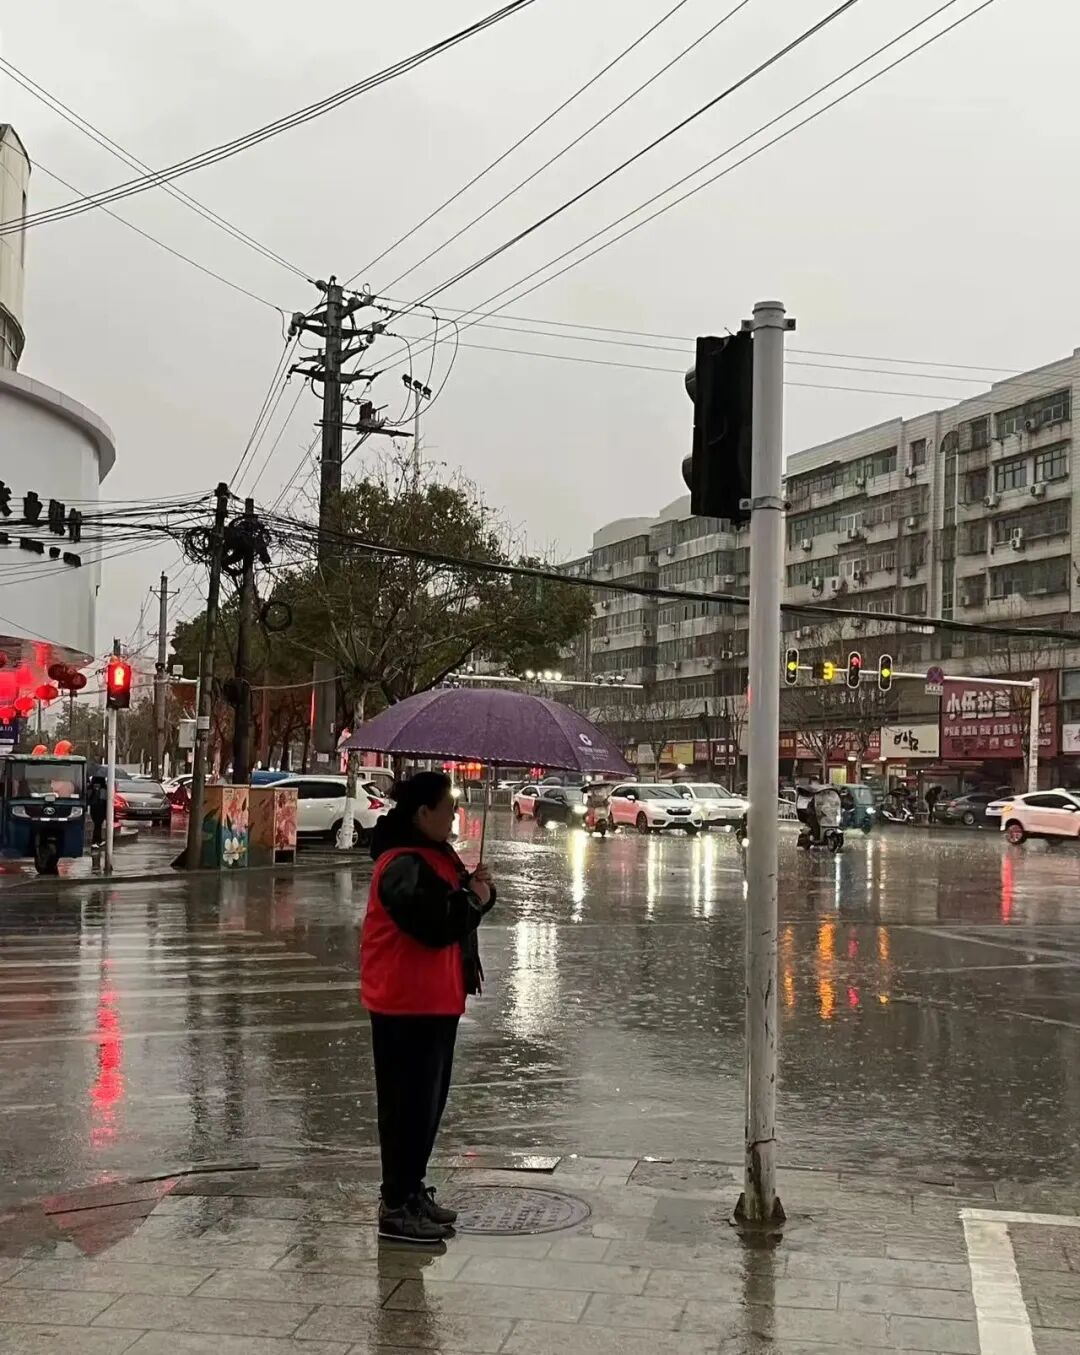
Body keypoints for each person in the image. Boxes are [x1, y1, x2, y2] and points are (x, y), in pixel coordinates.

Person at [360, 771, 496, 1244]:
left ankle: (411, 1190)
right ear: (422, 814)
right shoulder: (401, 865)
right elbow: (437, 922)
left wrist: (478, 890)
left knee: (427, 1106)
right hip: (405, 1003)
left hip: (433, 1000)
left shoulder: (433, 856)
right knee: (406, 1108)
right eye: (447, 807)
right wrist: (476, 899)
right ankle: (396, 1205)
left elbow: (456, 906)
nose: (454, 815)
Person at [88, 774, 108, 852]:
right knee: (98, 824)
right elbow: (105, 799)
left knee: (97, 824)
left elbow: (88, 797)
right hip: (101, 808)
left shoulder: (91, 787)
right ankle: (95, 841)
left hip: (94, 808)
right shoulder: (104, 788)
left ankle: (98, 840)